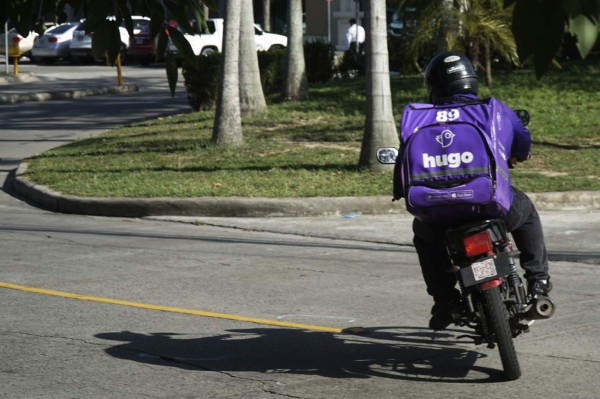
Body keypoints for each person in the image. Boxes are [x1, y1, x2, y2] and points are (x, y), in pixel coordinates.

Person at [395, 51, 553, 330]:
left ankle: (445, 300)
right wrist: (516, 156)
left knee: (423, 236)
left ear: (433, 85)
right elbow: (522, 143)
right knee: (526, 212)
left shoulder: (417, 118)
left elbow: (405, 165)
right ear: (471, 79)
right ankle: (538, 281)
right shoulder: (493, 109)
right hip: (489, 204)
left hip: (437, 212)